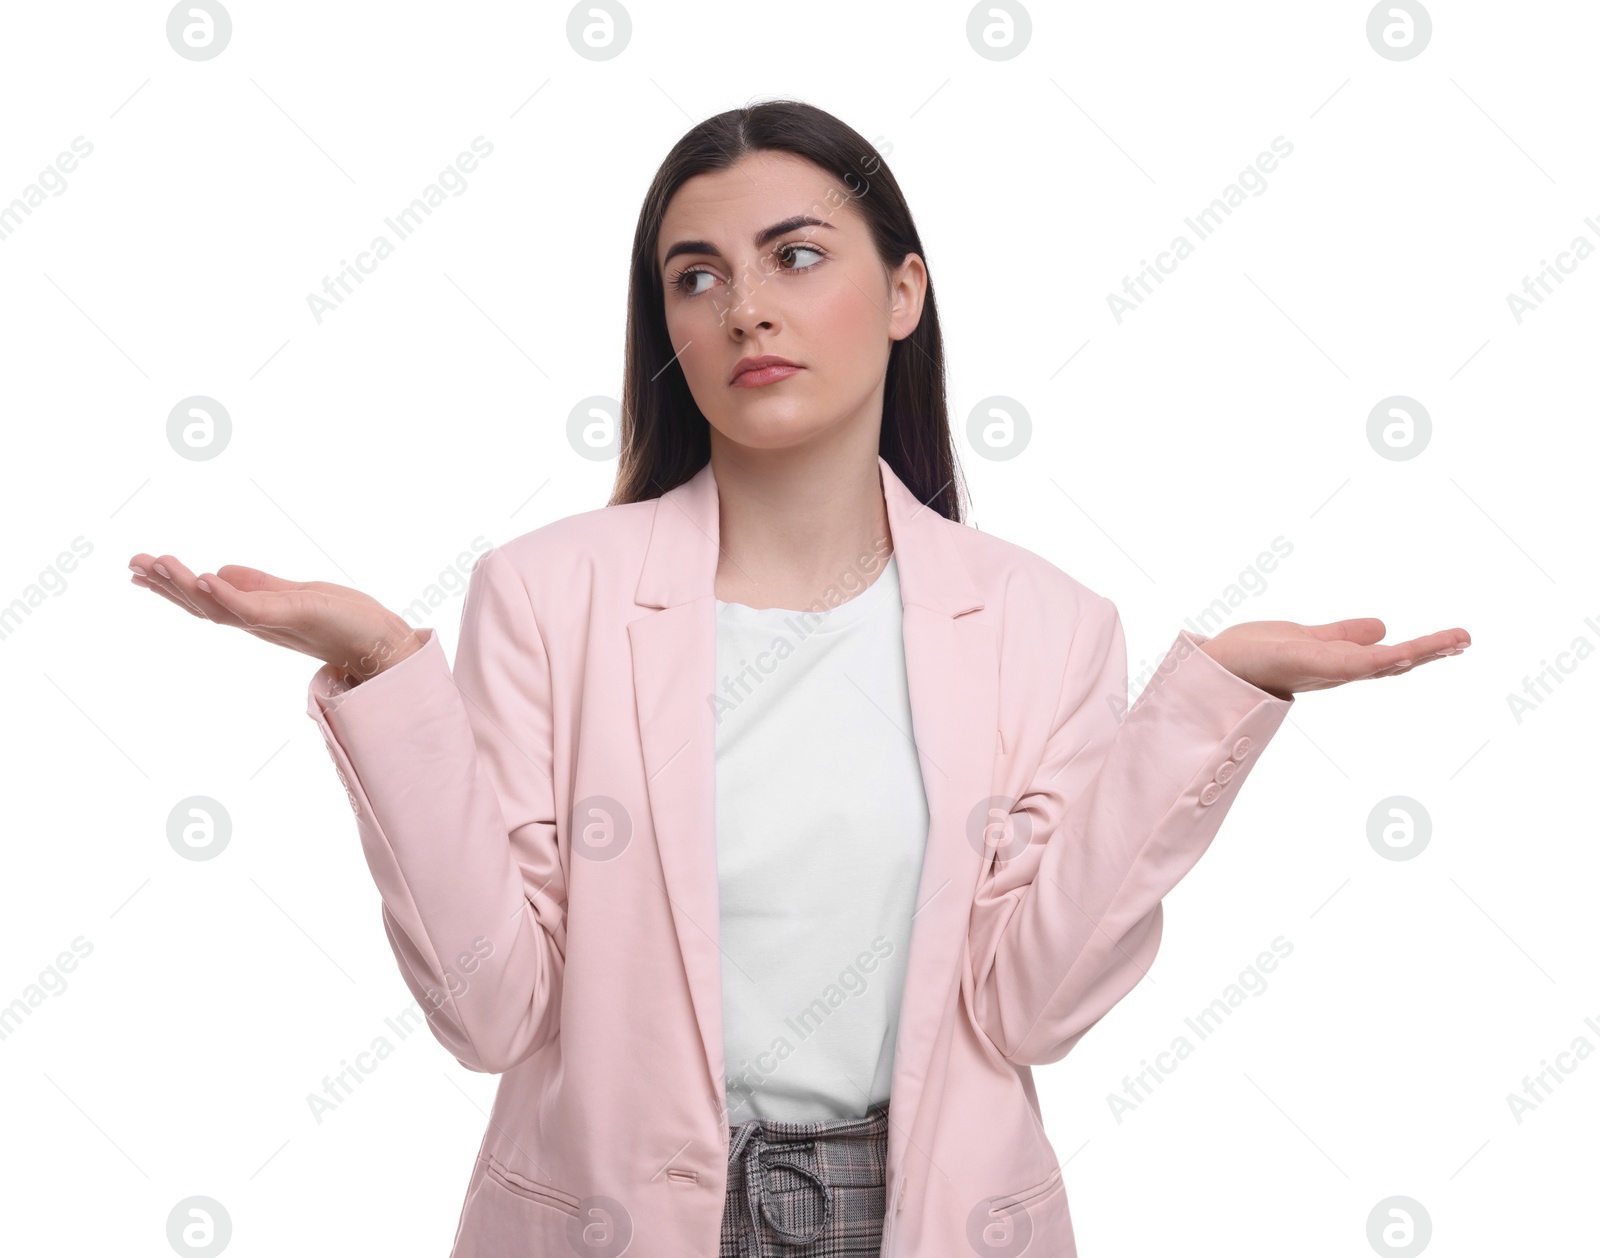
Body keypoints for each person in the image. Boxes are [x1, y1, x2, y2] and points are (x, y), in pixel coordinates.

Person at [128, 99, 1469, 1258]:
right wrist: (383, 673)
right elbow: (490, 1012)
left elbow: (1034, 1005)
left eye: (796, 256)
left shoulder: (1046, 623)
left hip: (920, 1213)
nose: (746, 305)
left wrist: (1209, 705)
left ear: (902, 292)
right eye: (695, 277)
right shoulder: (547, 595)